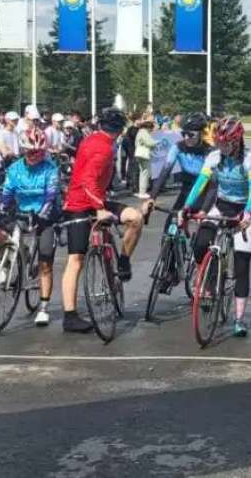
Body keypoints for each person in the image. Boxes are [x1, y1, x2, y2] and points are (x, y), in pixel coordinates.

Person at [58, 108, 146, 333]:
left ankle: (123, 260)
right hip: (81, 204)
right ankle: (70, 316)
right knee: (75, 260)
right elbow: (88, 180)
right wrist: (99, 208)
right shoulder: (104, 147)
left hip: (95, 199)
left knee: (134, 218)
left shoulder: (94, 139)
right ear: (119, 130)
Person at [183, 116, 251, 337]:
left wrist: (247, 214)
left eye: (226, 143)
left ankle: (239, 319)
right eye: (219, 143)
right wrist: (186, 207)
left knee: (242, 265)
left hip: (243, 209)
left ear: (237, 142)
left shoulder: (250, 160)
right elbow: (200, 183)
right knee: (199, 243)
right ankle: (209, 280)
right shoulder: (214, 158)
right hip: (221, 206)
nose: (222, 147)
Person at [0, 128, 60, 326]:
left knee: (45, 262)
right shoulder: (14, 168)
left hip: (44, 215)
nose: (34, 156)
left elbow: (51, 194)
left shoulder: (50, 168)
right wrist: (0, 206)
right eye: (30, 152)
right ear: (23, 150)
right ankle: (8, 263)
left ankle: (43, 307)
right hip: (22, 213)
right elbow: (7, 193)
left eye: (38, 152)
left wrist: (44, 213)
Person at [144, 114, 212, 212]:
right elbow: (165, 172)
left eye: (191, 135)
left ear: (201, 134)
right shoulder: (178, 147)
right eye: (184, 134)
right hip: (186, 189)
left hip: (204, 192)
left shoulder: (208, 151)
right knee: (172, 222)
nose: (186, 138)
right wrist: (152, 197)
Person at [133, 118, 157, 198]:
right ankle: (142, 192)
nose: (152, 130)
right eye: (151, 128)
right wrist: (156, 142)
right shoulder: (144, 132)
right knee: (145, 173)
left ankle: (142, 191)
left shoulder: (140, 132)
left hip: (139, 154)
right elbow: (150, 142)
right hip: (144, 154)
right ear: (148, 127)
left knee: (143, 172)